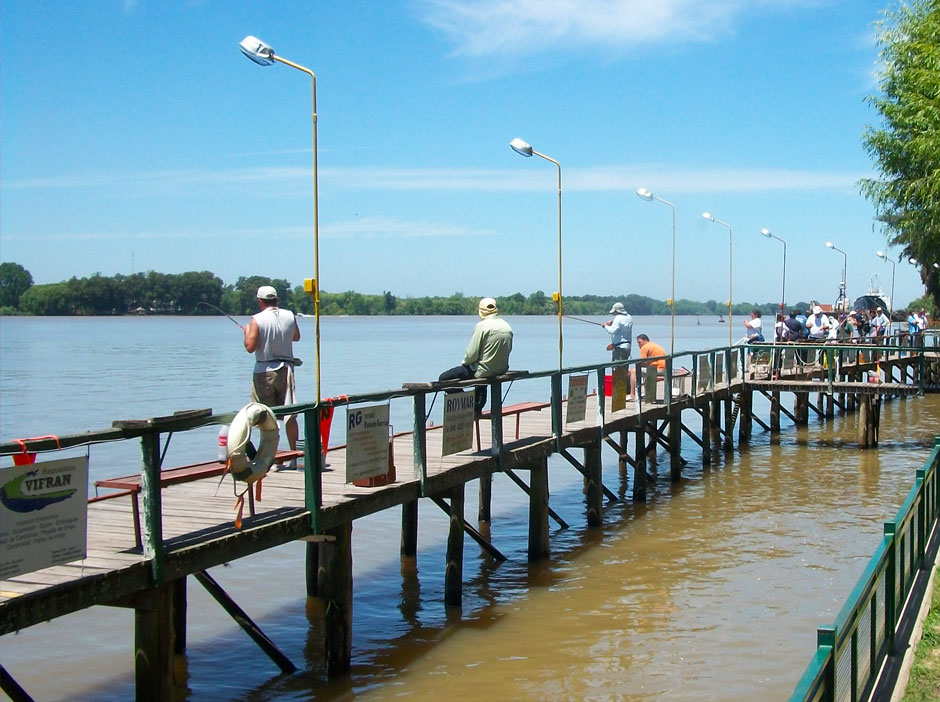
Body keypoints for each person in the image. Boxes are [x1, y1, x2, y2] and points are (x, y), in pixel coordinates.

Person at [244, 285, 301, 464]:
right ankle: (294, 456)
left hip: (264, 372)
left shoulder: (257, 319)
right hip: (286, 370)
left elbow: (249, 347)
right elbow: (296, 336)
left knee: (266, 417)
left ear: (260, 301)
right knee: (290, 414)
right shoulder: (289, 315)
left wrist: (247, 332)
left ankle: (270, 457)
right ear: (276, 299)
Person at [438, 297, 513, 415]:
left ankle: (467, 403)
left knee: (444, 378)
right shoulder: (506, 326)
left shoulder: (482, 326)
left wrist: (465, 363)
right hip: (501, 369)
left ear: (481, 311)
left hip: (484, 370)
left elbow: (471, 354)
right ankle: (476, 406)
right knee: (482, 372)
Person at [629, 334, 666, 402]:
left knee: (633, 371)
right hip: (663, 368)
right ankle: (648, 396)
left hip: (657, 369)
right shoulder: (653, 345)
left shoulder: (645, 347)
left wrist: (631, 370)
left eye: (639, 342)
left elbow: (642, 362)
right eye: (637, 343)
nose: (638, 344)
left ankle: (632, 394)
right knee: (644, 373)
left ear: (645, 340)